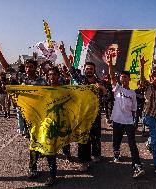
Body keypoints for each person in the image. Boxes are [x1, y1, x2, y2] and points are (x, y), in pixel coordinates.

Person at [60, 42, 107, 171]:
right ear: (84, 70)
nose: (89, 70)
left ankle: (96, 155)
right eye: (87, 69)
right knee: (83, 137)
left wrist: (102, 89)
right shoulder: (80, 80)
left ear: (94, 71)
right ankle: (84, 161)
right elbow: (69, 68)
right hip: (81, 114)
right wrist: (63, 53)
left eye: (91, 69)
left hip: (95, 114)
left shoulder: (100, 82)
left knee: (96, 136)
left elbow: (107, 96)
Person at [107, 54, 145, 178]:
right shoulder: (117, 88)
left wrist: (135, 122)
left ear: (129, 79)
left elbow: (134, 109)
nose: (122, 78)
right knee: (116, 140)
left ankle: (137, 166)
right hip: (117, 120)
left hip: (128, 121)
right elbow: (112, 76)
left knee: (132, 144)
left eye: (125, 77)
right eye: (121, 76)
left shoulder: (132, 93)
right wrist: (110, 63)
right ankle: (116, 152)